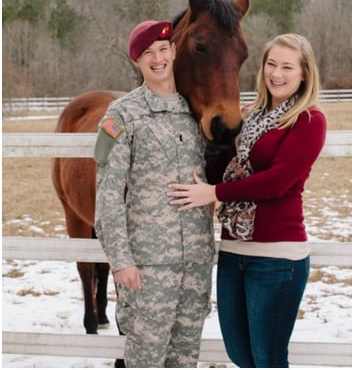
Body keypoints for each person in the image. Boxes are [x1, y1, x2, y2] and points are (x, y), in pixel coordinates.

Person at [167, 33, 327, 368]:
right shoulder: (247, 117)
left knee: (267, 359)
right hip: (233, 252)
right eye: (271, 64)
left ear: (304, 74)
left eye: (287, 67)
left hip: (277, 257)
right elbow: (221, 164)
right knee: (240, 355)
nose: (277, 74)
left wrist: (212, 194)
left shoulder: (309, 120)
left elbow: (277, 183)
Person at [94, 20, 215, 367]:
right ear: (136, 61)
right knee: (144, 361)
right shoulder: (122, 115)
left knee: (185, 360)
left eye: (163, 49)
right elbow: (108, 194)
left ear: (174, 51)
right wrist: (121, 261)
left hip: (195, 263)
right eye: (147, 53)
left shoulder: (197, 111)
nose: (157, 58)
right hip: (147, 268)